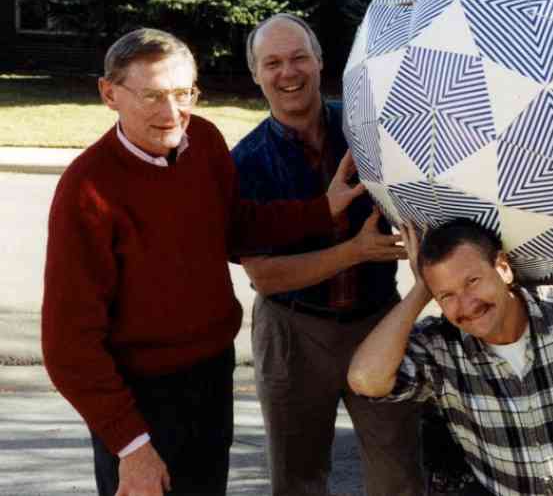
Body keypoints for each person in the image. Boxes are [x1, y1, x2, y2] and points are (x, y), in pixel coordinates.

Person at [42, 28, 366, 496]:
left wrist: (323, 209)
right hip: (139, 398)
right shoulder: (87, 189)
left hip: (211, 376)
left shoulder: (206, 142)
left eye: (182, 93)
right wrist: (131, 447)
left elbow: (235, 226)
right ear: (109, 94)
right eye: (152, 95)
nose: (172, 113)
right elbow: (68, 348)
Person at [347, 216, 553, 496]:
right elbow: (365, 379)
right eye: (446, 294)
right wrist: (420, 291)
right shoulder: (440, 348)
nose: (466, 305)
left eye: (472, 281)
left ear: (504, 268)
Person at [231, 13, 423, 496]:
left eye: (298, 57)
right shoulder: (246, 161)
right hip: (292, 330)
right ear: (256, 73)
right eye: (272, 62)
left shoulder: (367, 131)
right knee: (298, 478)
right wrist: (356, 251)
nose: (287, 72)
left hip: (377, 320)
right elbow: (267, 277)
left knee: (398, 472)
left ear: (319, 61)